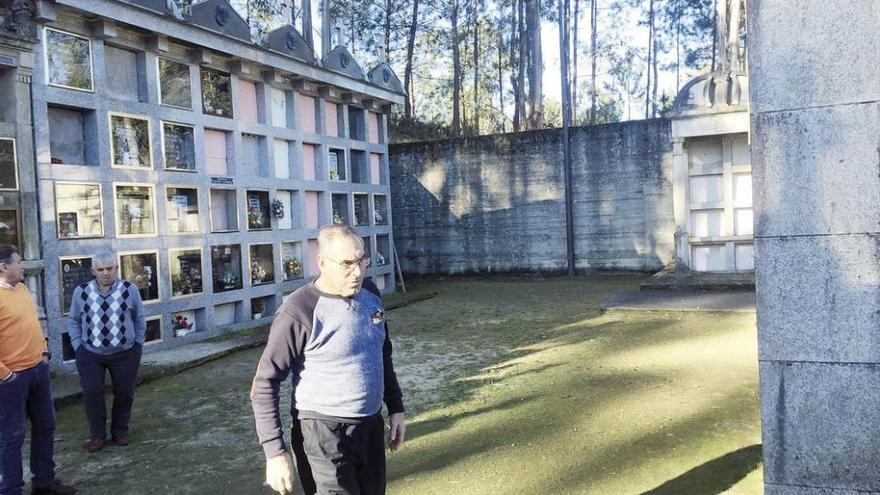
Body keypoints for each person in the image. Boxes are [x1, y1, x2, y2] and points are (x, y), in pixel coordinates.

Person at [251, 225, 405, 495]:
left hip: (370, 427)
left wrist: (395, 407)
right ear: (321, 262)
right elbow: (265, 383)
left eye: (361, 261)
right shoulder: (299, 310)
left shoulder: (370, 294)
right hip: (323, 433)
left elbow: (383, 352)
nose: (357, 272)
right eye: (347, 263)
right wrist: (274, 452)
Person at [0, 244, 77, 495]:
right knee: (13, 436)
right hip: (12, 378)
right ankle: (11, 489)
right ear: (3, 267)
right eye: (19, 262)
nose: (23, 266)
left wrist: (43, 351)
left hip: (37, 370)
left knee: (46, 424)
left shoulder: (22, 289)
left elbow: (32, 323)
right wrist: (5, 374)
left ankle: (44, 482)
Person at [67, 251, 145, 453]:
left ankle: (120, 431)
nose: (105, 273)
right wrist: (78, 345)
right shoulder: (82, 292)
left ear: (116, 269)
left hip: (125, 353)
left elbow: (139, 319)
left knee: (124, 394)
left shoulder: (130, 290)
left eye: (109, 268)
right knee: (92, 393)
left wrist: (137, 345)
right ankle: (97, 435)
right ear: (93, 271)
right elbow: (74, 320)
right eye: (100, 269)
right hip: (91, 354)